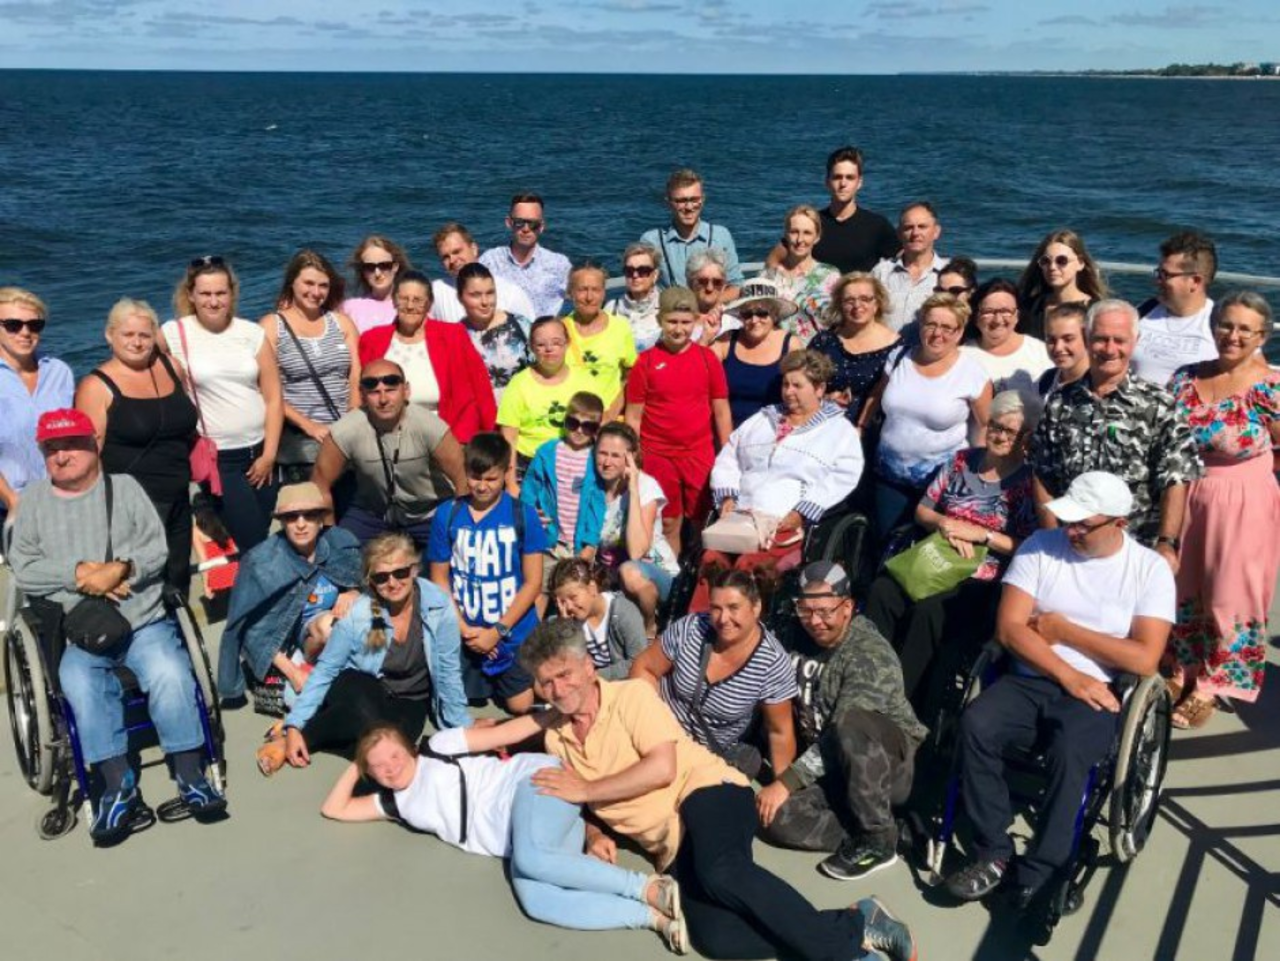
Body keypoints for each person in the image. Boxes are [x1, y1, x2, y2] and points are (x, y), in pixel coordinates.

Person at [449, 619, 918, 961]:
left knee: (721, 871)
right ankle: (854, 923)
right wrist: (593, 830)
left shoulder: (630, 697)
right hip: (669, 843)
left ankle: (848, 945)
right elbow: (497, 735)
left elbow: (661, 768)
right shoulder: (556, 734)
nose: (557, 688)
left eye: (565, 674)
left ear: (589, 667)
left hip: (706, 791)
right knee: (715, 938)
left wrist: (587, 789)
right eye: (546, 682)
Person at [943, 472, 1174, 912]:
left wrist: (1062, 630)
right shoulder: (1039, 547)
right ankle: (993, 850)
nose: (1070, 532)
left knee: (1071, 752)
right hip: (1030, 678)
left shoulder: (1149, 570)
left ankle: (1042, 870)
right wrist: (1070, 675)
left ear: (1119, 524)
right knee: (976, 724)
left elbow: (1145, 658)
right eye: (1068, 521)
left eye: (1083, 525)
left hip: (1100, 690)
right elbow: (1010, 628)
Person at [9, 409, 226, 843]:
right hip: (80, 631)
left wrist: (120, 569)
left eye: (71, 445)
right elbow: (24, 569)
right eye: (51, 449)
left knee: (169, 672)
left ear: (94, 444)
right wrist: (79, 574)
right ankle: (116, 783)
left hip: (141, 620)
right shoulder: (32, 502)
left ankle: (190, 774)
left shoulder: (124, 489)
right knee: (78, 682)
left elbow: (157, 549)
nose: (61, 456)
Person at [321, 723, 687, 949]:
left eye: (394, 755)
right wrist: (357, 765)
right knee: (537, 901)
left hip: (532, 785)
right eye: (378, 766)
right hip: (522, 837)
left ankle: (648, 887)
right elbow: (335, 809)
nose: (390, 768)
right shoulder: (395, 802)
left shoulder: (438, 748)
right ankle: (652, 917)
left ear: (410, 749)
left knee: (533, 859)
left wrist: (550, 715)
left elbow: (504, 734)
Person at [864, 390, 1039, 704]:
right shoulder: (961, 461)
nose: (1000, 436)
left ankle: (899, 701)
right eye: (995, 426)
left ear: (1026, 437)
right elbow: (923, 510)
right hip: (934, 555)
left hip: (980, 575)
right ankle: (866, 678)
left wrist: (981, 535)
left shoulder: (1028, 484)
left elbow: (1027, 545)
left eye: (1010, 431)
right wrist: (944, 524)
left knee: (930, 612)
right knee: (882, 591)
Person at [760, 562, 926, 882]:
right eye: (805, 611)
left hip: (886, 767)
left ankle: (878, 838)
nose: (814, 621)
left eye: (825, 611)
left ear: (847, 607)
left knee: (851, 723)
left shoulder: (868, 654)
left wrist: (786, 782)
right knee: (776, 819)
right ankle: (877, 831)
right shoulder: (793, 632)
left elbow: (841, 734)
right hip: (832, 766)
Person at [1166, 292, 1280, 729]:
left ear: (1261, 337)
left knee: (1231, 594)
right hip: (1185, 492)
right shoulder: (1185, 378)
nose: (1233, 335)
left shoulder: (1269, 387)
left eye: (1245, 329)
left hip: (1243, 499)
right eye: (1226, 325)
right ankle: (1182, 666)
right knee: (1182, 585)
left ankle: (1215, 683)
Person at [280, 532, 472, 768]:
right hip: (361, 685)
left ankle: (312, 736)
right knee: (366, 713)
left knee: (397, 743)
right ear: (371, 581)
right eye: (381, 577)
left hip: (411, 697)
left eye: (400, 573)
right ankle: (298, 737)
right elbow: (326, 670)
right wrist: (294, 725)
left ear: (414, 570)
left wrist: (462, 730)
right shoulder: (358, 614)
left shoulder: (438, 604)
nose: (392, 583)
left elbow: (449, 672)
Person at [1029, 299, 1203, 554]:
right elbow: (1042, 474)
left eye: (1119, 340)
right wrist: (1051, 538)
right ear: (1086, 338)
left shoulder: (1159, 405)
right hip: (1070, 543)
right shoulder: (1059, 402)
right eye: (1101, 339)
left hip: (1135, 548)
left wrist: (1167, 543)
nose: (1110, 349)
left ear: (1135, 341)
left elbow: (1175, 479)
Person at [697, 351, 864, 611]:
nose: (788, 391)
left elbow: (843, 476)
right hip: (742, 516)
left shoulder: (838, 431)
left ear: (819, 389)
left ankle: (743, 626)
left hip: (783, 523)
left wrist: (802, 511)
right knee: (711, 560)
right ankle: (699, 625)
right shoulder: (763, 419)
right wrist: (727, 495)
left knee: (748, 565)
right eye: (786, 384)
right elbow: (729, 456)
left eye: (797, 385)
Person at [75, 297, 198, 594]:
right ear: (110, 335)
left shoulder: (171, 367)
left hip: (178, 496)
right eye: (127, 334)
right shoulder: (95, 386)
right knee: (141, 584)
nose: (137, 342)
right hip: (131, 507)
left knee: (178, 579)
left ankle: (176, 622)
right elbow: (88, 457)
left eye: (144, 335)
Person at [163, 255, 283, 552]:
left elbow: (273, 397)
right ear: (191, 295)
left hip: (261, 453)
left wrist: (269, 455)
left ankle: (211, 515)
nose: (214, 301)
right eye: (205, 293)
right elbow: (135, 359)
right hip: (219, 459)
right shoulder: (174, 333)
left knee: (261, 530)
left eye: (221, 293)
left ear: (232, 294)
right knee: (256, 543)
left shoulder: (251, 333)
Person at [631, 570, 799, 779]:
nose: (723, 619)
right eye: (716, 608)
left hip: (705, 756)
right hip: (656, 730)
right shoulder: (691, 628)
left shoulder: (772, 664)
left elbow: (780, 732)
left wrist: (782, 786)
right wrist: (649, 723)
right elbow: (645, 668)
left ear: (756, 608)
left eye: (733, 608)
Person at [217, 482, 362, 708]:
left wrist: (352, 591)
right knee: (308, 702)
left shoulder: (339, 544)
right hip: (285, 648)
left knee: (350, 622)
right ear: (282, 521)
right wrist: (294, 673)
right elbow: (251, 632)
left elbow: (372, 585)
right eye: (292, 517)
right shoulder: (261, 563)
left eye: (309, 515)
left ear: (320, 519)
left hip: (331, 633)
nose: (301, 524)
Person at [428, 432, 543, 714]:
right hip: (465, 630)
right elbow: (439, 578)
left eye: (491, 479)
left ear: (506, 472)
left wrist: (497, 631)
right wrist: (465, 630)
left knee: (520, 705)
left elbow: (533, 583)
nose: (481, 486)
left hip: (511, 632)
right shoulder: (448, 514)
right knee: (457, 702)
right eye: (475, 477)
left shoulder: (523, 514)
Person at [863, 293, 992, 541]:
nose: (937, 333)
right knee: (886, 544)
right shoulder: (899, 357)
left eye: (946, 327)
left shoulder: (972, 373)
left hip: (942, 485)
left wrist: (981, 474)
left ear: (959, 332)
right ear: (921, 325)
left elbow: (985, 426)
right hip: (889, 477)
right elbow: (877, 395)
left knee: (929, 553)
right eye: (931, 324)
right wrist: (861, 426)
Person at [312, 359, 468, 549]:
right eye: (374, 392)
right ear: (362, 395)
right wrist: (329, 533)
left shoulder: (430, 427)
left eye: (391, 390)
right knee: (340, 552)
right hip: (372, 513)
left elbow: (463, 478)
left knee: (452, 554)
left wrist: (461, 526)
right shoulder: (345, 431)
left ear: (406, 391)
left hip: (428, 513)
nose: (383, 399)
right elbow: (319, 484)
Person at [625, 286, 733, 558]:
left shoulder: (707, 359)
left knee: (701, 518)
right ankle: (673, 571)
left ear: (695, 321)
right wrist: (634, 456)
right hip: (657, 453)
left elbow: (721, 410)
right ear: (660, 320)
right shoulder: (645, 362)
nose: (678, 329)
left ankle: (697, 569)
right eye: (672, 321)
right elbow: (634, 416)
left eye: (685, 322)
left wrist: (728, 452)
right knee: (669, 521)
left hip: (699, 452)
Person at [357, 270, 496, 443]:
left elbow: (481, 388)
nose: (410, 306)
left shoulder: (453, 335)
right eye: (404, 298)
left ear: (429, 304)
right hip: (388, 437)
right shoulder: (372, 339)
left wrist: (491, 440)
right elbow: (361, 392)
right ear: (394, 301)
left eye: (417, 300)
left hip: (448, 437)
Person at [262, 249, 361, 485]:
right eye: (308, 283)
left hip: (344, 434)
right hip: (301, 441)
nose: (316, 292)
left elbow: (356, 373)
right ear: (292, 283)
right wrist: (309, 426)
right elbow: (266, 390)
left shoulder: (342, 323)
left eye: (323, 285)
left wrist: (352, 414)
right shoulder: (272, 326)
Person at [593, 422, 680, 637]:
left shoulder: (645, 486)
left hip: (654, 573)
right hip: (609, 577)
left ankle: (649, 628)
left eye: (616, 455)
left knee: (630, 572)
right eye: (602, 453)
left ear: (630, 457)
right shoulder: (592, 487)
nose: (607, 462)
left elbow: (637, 551)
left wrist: (632, 489)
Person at [0, 287, 74, 525]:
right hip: (8, 508)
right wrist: (12, 500)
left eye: (34, 325)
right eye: (13, 325)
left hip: (59, 499)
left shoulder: (59, 372)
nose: (25, 332)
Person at [765, 146, 899, 275]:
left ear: (859, 182)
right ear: (827, 181)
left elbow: (904, 258)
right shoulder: (813, 223)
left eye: (850, 177)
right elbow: (774, 259)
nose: (843, 184)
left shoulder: (877, 225)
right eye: (837, 177)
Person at [496, 316, 597, 485]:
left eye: (556, 342)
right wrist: (511, 484)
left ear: (567, 343)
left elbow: (597, 427)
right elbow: (509, 438)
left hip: (574, 462)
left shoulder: (585, 381)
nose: (549, 349)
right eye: (541, 344)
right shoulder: (519, 383)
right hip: (529, 465)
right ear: (531, 347)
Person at [520, 391, 607, 578]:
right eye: (573, 423)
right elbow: (530, 488)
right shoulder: (548, 451)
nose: (579, 431)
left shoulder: (596, 458)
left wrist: (591, 543)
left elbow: (597, 505)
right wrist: (528, 515)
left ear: (597, 429)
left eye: (588, 426)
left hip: (579, 544)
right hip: (548, 539)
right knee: (540, 584)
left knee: (573, 589)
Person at [808, 273, 902, 425]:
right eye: (849, 300)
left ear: (877, 303)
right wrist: (825, 398)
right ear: (840, 305)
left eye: (865, 299)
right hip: (822, 423)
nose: (857, 305)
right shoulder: (824, 341)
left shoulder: (896, 347)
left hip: (870, 428)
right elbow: (804, 384)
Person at [711, 278, 804, 428]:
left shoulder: (791, 345)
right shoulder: (726, 341)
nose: (754, 320)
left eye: (762, 313)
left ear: (774, 314)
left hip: (775, 432)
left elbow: (802, 395)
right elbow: (696, 371)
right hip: (729, 432)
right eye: (748, 314)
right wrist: (706, 337)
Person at [1132, 231, 1219, 387]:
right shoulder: (1144, 311)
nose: (1157, 281)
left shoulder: (1221, 323)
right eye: (1159, 273)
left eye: (1165, 275)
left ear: (1195, 281)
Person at [640, 169, 744, 295]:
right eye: (681, 201)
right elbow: (642, 287)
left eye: (694, 200)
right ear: (668, 203)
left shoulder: (721, 236)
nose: (689, 207)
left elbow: (736, 286)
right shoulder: (651, 241)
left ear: (703, 200)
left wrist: (711, 303)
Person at [551, 557, 648, 680]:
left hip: (625, 682)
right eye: (562, 602)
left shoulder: (623, 613)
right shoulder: (570, 620)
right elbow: (563, 665)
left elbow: (639, 662)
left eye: (573, 597)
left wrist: (594, 677)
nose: (568, 607)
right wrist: (566, 628)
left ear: (592, 588)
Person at [480, 193, 573, 318]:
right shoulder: (490, 261)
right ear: (509, 223)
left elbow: (580, 298)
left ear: (541, 227)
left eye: (533, 224)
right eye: (519, 222)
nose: (526, 229)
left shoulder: (559, 264)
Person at [564, 263, 637, 420]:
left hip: (607, 419)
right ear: (570, 293)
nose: (589, 297)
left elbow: (631, 375)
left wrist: (611, 413)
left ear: (604, 293)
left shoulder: (620, 328)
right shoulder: (560, 330)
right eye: (582, 289)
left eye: (596, 290)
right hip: (570, 420)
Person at [759, 205, 841, 343]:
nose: (800, 239)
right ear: (786, 235)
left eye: (807, 233)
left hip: (818, 353)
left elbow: (839, 323)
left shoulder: (830, 276)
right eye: (794, 232)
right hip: (778, 352)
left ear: (817, 237)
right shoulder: (769, 276)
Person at [455, 261, 533, 404]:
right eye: (475, 295)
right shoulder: (455, 336)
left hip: (524, 409)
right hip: (481, 415)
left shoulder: (521, 325)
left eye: (490, 293)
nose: (485, 302)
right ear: (460, 298)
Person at [430, 222, 537, 323]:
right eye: (445, 257)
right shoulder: (437, 292)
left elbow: (532, 332)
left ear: (474, 249)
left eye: (457, 252)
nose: (452, 260)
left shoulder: (510, 293)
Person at [961, 278, 1052, 395]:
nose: (998, 320)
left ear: (1017, 316)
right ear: (976, 317)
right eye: (988, 312)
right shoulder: (962, 357)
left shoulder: (1041, 353)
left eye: (1006, 311)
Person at [1016, 229, 1107, 340]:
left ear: (1080, 263)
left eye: (1061, 260)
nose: (1052, 267)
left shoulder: (1096, 312)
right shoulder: (1028, 308)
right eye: (1046, 261)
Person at [871, 202, 947, 332]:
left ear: (936, 232)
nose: (915, 233)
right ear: (899, 233)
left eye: (922, 227)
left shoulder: (947, 274)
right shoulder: (881, 272)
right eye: (908, 228)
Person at [342, 235, 412, 334]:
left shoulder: (411, 306)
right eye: (369, 267)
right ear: (363, 271)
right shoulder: (349, 308)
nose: (377, 273)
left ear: (395, 267)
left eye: (384, 266)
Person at [604, 242, 664, 352]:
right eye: (629, 271)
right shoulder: (611, 309)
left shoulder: (667, 307)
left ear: (655, 275)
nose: (635, 275)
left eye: (643, 271)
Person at [685, 248, 739, 347]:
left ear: (724, 286)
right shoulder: (676, 322)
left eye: (717, 282)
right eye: (702, 282)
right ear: (690, 284)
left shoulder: (735, 322)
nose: (709, 288)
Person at [1037, 303, 1091, 396]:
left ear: (1087, 337)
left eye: (1068, 339)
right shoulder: (1047, 380)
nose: (1058, 348)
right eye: (1051, 340)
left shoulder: (1099, 385)